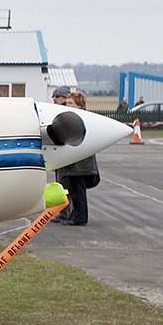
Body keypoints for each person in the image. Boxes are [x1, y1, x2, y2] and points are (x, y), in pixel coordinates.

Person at [56, 90, 98, 225]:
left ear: (79, 104)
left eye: (71, 103)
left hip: (80, 163)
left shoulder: (83, 118)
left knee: (78, 191)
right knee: (74, 190)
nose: (68, 106)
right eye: (67, 103)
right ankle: (75, 215)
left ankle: (80, 217)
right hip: (76, 163)